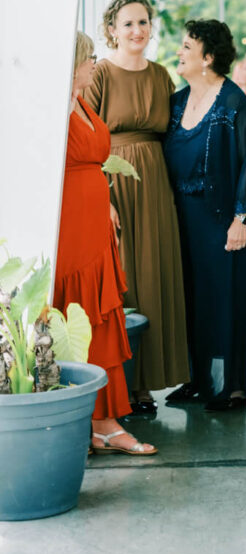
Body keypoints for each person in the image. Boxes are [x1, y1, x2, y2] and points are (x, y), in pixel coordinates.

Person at [162, 19, 246, 409]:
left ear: (207, 58)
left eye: (187, 47)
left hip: (230, 220)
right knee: (195, 300)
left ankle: (234, 387)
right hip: (189, 220)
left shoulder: (234, 102)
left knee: (230, 299)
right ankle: (198, 380)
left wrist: (242, 218)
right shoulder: (176, 102)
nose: (180, 52)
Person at [86, 0, 189, 415]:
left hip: (155, 186)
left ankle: (145, 385)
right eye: (128, 24)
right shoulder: (101, 75)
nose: (137, 31)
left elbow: (175, 135)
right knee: (125, 277)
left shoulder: (162, 75)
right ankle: (121, 384)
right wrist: (100, 196)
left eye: (143, 22)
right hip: (113, 183)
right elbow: (84, 138)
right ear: (112, 29)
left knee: (154, 276)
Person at [55, 32, 156, 456]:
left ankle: (103, 422)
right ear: (73, 61)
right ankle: (97, 423)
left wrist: (108, 202)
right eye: (89, 57)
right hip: (70, 230)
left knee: (103, 317)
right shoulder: (54, 106)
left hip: (96, 223)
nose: (95, 62)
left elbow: (93, 164)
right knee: (83, 320)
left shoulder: (81, 101)